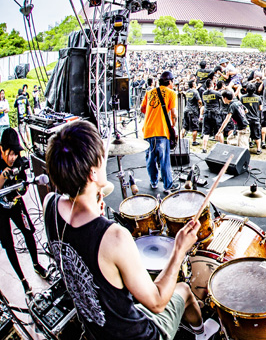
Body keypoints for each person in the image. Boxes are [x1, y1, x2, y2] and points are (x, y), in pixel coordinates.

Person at [43, 121, 218, 340]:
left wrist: (93, 211)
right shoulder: (113, 237)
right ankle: (202, 334)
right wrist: (179, 249)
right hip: (137, 336)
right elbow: (156, 302)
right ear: (92, 174)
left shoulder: (49, 205)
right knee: (183, 289)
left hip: (95, 331)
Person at [0, 128, 50, 295]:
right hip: (1, 209)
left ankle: (36, 264)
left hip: (15, 203)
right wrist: (3, 176)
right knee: (9, 244)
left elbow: (24, 183)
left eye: (16, 154)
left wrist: (22, 190)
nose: (13, 158)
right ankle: (23, 280)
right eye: (10, 153)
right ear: (1, 149)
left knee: (28, 232)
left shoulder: (18, 161)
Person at [141, 71, 180, 192]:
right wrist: (173, 126)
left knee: (150, 159)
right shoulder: (171, 93)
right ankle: (168, 186)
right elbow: (174, 113)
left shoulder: (149, 92)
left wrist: (153, 115)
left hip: (148, 130)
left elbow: (143, 109)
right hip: (161, 131)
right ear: (170, 82)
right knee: (164, 160)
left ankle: (153, 182)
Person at [200, 78, 223, 154]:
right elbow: (223, 99)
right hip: (215, 113)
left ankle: (204, 148)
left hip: (206, 113)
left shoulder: (204, 93)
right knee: (219, 131)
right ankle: (223, 147)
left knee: (206, 133)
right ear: (212, 85)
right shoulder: (216, 93)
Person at [241, 83, 263, 154]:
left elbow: (241, 108)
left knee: (246, 133)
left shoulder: (242, 97)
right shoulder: (258, 98)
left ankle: (249, 144)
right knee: (257, 135)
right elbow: (260, 108)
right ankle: (258, 149)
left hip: (246, 119)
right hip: (255, 118)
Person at [181, 81, 202, 146]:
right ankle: (194, 141)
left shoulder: (187, 91)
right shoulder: (195, 92)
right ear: (193, 85)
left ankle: (180, 140)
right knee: (195, 127)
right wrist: (200, 105)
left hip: (186, 110)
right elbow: (199, 101)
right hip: (193, 111)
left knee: (184, 126)